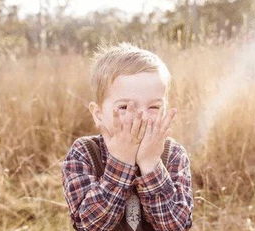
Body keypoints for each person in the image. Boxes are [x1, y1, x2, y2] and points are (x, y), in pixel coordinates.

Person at [62, 43, 193, 230]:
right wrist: (121, 161)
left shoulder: (173, 154)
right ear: (98, 114)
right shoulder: (84, 152)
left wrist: (151, 164)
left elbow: (175, 226)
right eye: (124, 107)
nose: (142, 117)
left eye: (154, 107)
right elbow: (91, 225)